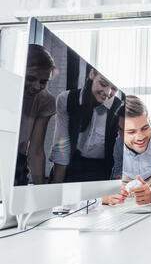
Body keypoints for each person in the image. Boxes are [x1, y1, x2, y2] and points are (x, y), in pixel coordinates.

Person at [102, 95, 151, 206]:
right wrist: (104, 197)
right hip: (122, 178)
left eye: (145, 128)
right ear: (119, 132)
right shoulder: (108, 142)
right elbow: (94, 189)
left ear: (149, 121)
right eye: (131, 132)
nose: (140, 137)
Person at [49, 67, 122, 183]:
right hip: (68, 168)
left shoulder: (120, 108)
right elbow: (61, 147)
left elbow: (119, 156)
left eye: (114, 88)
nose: (107, 93)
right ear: (92, 74)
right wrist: (57, 185)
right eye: (103, 84)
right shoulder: (67, 99)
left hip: (101, 172)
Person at [15, 44, 57, 186]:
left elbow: (36, 151)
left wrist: (41, 192)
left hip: (18, 162)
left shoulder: (45, 99)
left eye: (43, 81)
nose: (37, 86)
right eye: (30, 79)